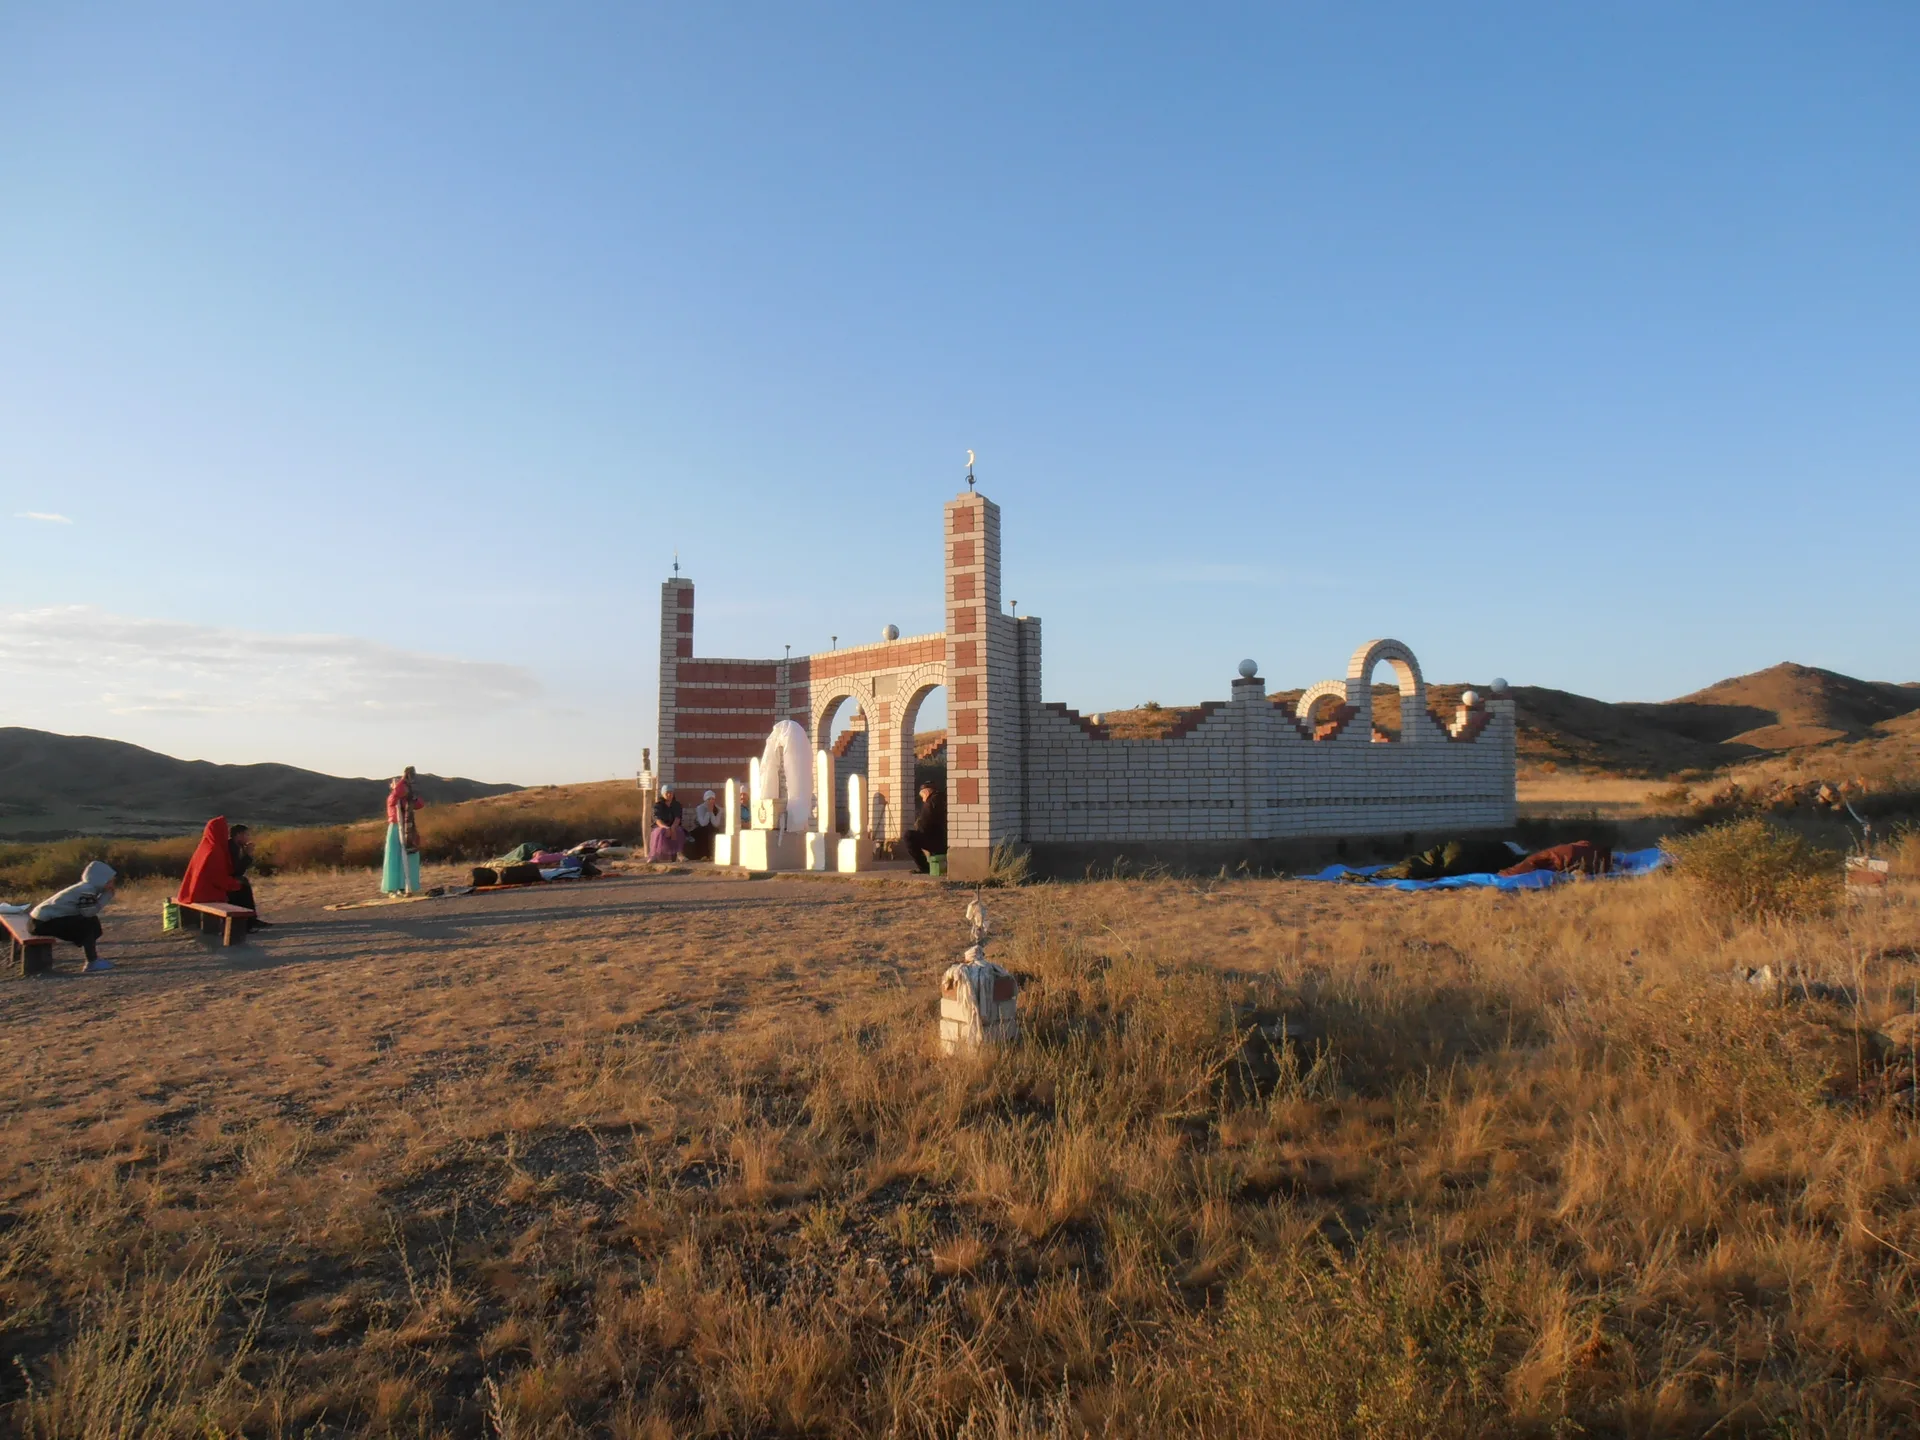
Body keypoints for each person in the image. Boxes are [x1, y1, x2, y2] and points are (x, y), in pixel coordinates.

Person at [29, 861, 117, 972]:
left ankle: (93, 958)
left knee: (91, 922)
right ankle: (92, 962)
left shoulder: (85, 888)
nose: (112, 884)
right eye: (110, 881)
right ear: (101, 879)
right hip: (41, 923)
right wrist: (106, 896)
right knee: (87, 923)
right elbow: (88, 913)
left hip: (39, 921)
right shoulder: (87, 890)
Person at [383, 767, 427, 896]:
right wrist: (403, 779)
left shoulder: (406, 801)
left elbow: (420, 804)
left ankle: (404, 886)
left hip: (408, 828)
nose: (398, 783)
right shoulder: (392, 798)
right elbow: (397, 792)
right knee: (395, 857)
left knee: (410, 856)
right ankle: (393, 888)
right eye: (395, 782)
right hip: (397, 827)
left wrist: (412, 794)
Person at [906, 782, 946, 873]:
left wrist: (918, 828)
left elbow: (925, 824)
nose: (923, 799)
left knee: (908, 836)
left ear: (926, 792)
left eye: (922, 796)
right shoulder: (941, 799)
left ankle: (924, 868)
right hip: (944, 840)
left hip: (939, 842)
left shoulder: (931, 801)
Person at [648, 785, 686, 861]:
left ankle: (679, 854)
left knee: (679, 831)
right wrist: (666, 827)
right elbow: (657, 819)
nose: (669, 795)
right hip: (660, 826)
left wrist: (673, 827)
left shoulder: (676, 805)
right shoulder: (658, 805)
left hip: (673, 825)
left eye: (671, 793)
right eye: (667, 793)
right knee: (660, 832)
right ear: (663, 794)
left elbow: (677, 818)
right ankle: (654, 855)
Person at [688, 790, 721, 860]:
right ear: (705, 800)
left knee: (713, 832)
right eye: (709, 799)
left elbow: (716, 824)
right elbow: (703, 823)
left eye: (713, 799)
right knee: (703, 832)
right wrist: (708, 812)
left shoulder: (718, 809)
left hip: (712, 827)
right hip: (701, 828)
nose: (711, 801)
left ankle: (712, 855)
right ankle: (703, 855)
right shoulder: (700, 808)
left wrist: (711, 812)